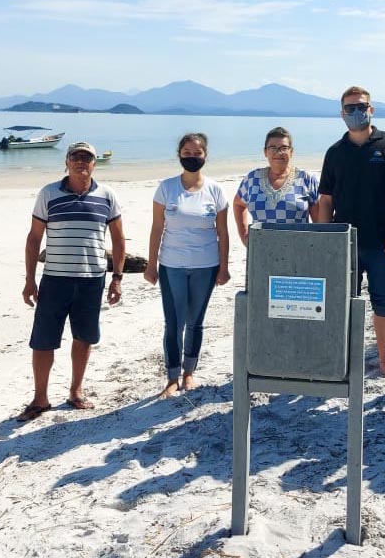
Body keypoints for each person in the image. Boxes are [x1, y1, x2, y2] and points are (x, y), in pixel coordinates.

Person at [18, 142, 125, 421]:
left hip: (92, 280)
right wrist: (30, 280)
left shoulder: (107, 195)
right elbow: (33, 238)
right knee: (43, 341)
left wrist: (117, 278)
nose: (81, 162)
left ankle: (75, 391)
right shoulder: (49, 193)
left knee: (84, 338)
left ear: (94, 163)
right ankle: (40, 398)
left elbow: (118, 238)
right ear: (66, 162)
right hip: (54, 279)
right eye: (75, 157)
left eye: (87, 158)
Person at [317, 86, 385, 382]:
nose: (356, 112)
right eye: (350, 108)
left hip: (384, 241)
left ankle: (384, 362)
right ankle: (342, 361)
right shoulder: (335, 152)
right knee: (343, 303)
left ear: (371, 109)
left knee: (384, 302)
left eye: (361, 106)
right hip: (345, 244)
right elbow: (326, 201)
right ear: (341, 114)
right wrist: (326, 243)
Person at [144, 133, 230, 397]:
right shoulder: (166, 188)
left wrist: (224, 267)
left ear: (205, 156)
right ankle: (172, 377)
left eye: (197, 153)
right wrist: (151, 265)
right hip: (172, 265)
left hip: (206, 266)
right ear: (179, 154)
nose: (192, 157)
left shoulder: (215, 190)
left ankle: (189, 372)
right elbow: (157, 228)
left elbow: (223, 233)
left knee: (195, 322)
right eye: (187, 153)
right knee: (174, 323)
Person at [233, 126, 319, 245]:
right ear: (265, 152)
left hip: (299, 254)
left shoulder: (306, 179)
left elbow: (320, 224)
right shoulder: (252, 179)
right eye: (273, 148)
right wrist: (245, 236)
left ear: (291, 151)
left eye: (284, 148)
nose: (278, 152)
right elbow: (238, 204)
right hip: (260, 253)